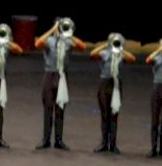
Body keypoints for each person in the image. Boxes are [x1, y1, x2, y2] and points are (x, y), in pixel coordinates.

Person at [34, 20, 85, 150]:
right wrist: (53, 29)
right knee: (48, 108)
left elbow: (82, 47)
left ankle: (58, 140)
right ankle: (46, 139)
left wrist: (70, 34)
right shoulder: (50, 41)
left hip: (63, 76)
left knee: (60, 108)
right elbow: (37, 43)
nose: (62, 30)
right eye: (61, 27)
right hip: (49, 75)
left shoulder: (68, 42)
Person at [89, 34, 137, 154]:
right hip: (104, 83)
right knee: (105, 114)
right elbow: (92, 54)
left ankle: (113, 144)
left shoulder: (121, 54)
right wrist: (106, 45)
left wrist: (121, 48)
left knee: (114, 115)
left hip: (116, 84)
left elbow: (132, 58)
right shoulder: (105, 53)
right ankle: (104, 143)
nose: (115, 43)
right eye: (114, 41)